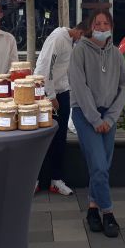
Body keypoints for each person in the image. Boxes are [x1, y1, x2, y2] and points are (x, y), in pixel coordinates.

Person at [68, 10, 125, 238]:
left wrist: (110, 118)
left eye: (106, 23)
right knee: (100, 166)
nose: (102, 27)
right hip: (85, 115)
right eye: (98, 23)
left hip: (108, 116)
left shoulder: (116, 53)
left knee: (100, 165)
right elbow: (79, 87)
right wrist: (95, 119)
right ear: (90, 26)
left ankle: (93, 209)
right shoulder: (80, 51)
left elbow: (124, 86)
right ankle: (109, 213)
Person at [33, 20, 89, 195]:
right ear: (80, 32)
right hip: (47, 94)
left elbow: (64, 69)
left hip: (62, 92)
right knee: (42, 138)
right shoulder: (58, 38)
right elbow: (45, 67)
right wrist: (50, 96)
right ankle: (35, 180)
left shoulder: (72, 42)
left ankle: (56, 179)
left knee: (60, 138)